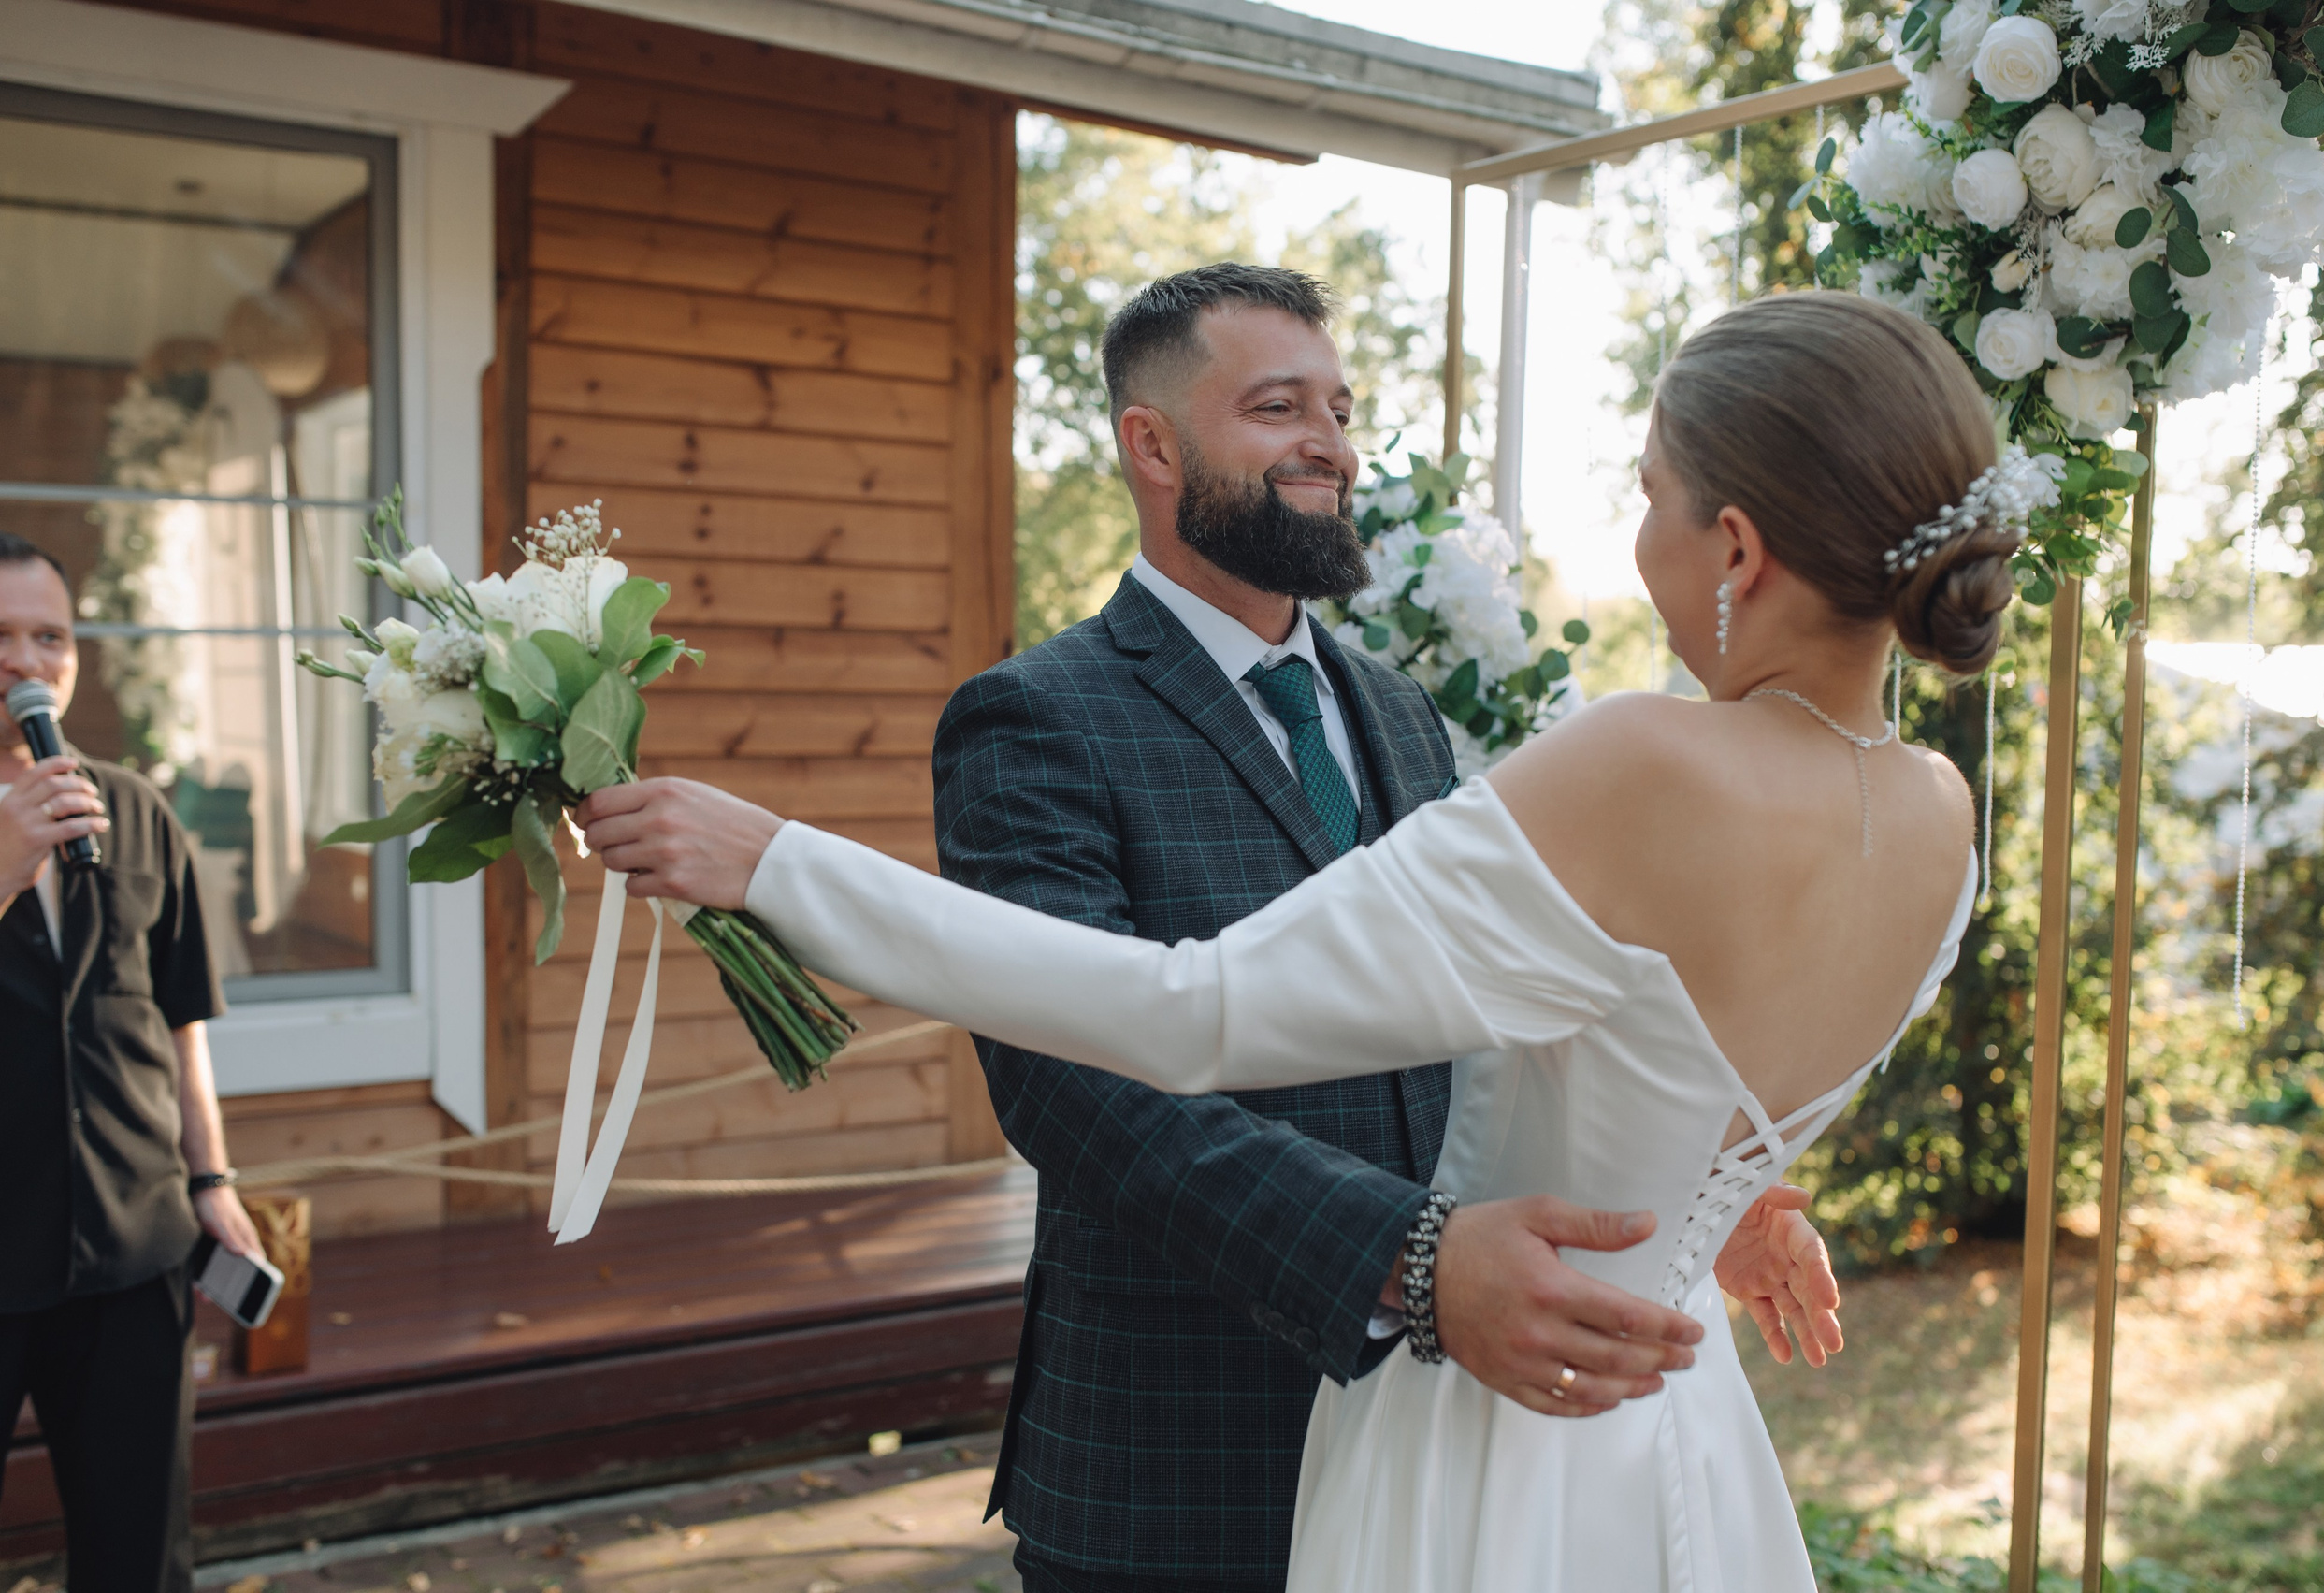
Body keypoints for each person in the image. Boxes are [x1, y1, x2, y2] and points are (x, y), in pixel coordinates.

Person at [573, 287, 1987, 1592]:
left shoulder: (1578, 749)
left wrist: (785, 867)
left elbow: (1195, 1010)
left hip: (1489, 1434)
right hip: (1323, 1441)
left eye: (1652, 502)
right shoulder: (1940, 812)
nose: (1329, 443)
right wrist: (1665, 1202)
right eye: (1276, 407)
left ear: (1735, 543)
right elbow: (1079, 1088)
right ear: (1151, 444)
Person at [0, 532, 262, 1593]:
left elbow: (180, 1019)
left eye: (48, 635)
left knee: (141, 1558)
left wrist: (212, 1179)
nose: (26, 660)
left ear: (76, 654)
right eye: (0, 636)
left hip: (131, 1245)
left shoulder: (136, 810)